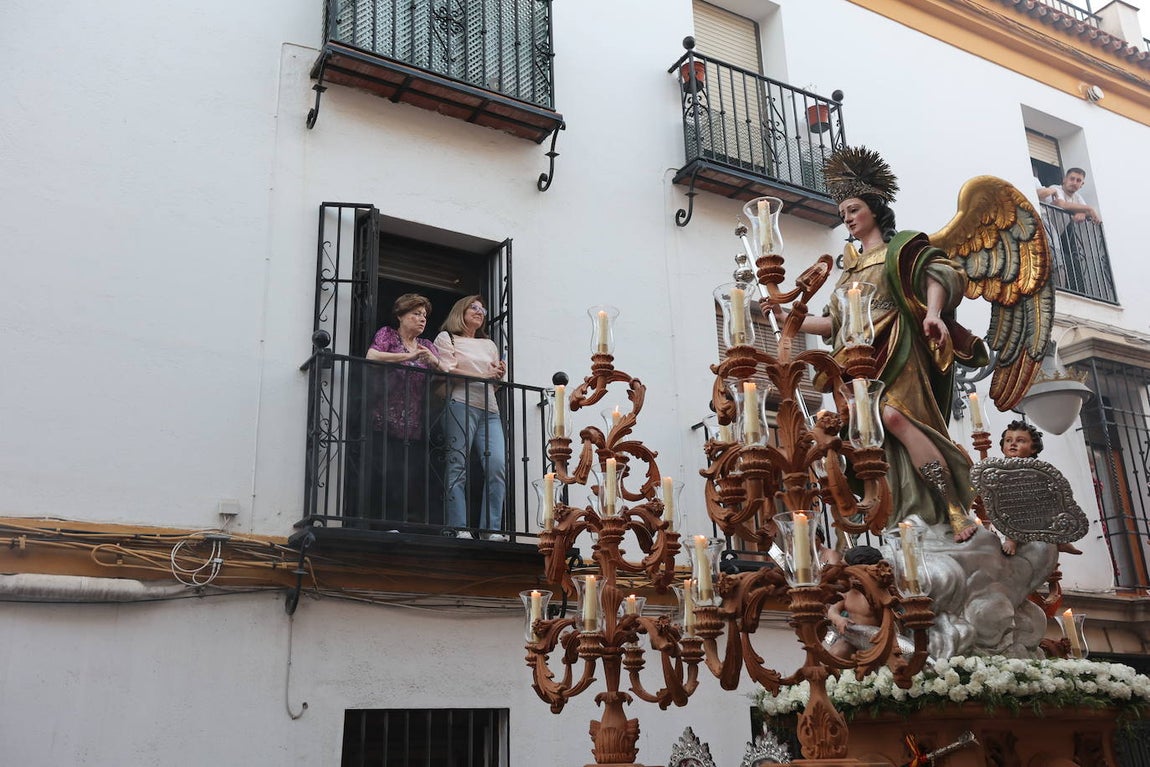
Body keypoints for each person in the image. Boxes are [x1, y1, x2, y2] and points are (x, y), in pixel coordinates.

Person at [763, 146, 981, 543]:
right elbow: (832, 324)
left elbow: (940, 273)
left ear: (875, 210)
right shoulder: (848, 269)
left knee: (898, 418)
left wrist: (932, 313)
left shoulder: (901, 249)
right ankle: (902, 510)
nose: (847, 218)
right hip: (855, 360)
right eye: (843, 212)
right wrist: (786, 318)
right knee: (873, 437)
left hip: (898, 346)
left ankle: (953, 507)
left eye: (854, 209)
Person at [435, 295, 509, 541]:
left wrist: (497, 376)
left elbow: (492, 383)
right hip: (460, 404)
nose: (480, 311)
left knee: (497, 466)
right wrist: (484, 374)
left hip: (490, 410)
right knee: (457, 465)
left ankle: (491, 530)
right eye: (474, 307)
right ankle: (459, 527)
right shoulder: (448, 338)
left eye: (483, 309)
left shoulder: (489, 344)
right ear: (461, 311)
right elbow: (446, 369)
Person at [366, 293, 444, 522]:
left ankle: (402, 522)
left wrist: (433, 360)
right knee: (386, 473)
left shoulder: (427, 346)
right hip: (384, 418)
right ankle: (383, 523)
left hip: (414, 423)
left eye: (425, 315)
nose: (422, 319)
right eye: (416, 314)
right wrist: (406, 356)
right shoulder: (387, 335)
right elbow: (372, 355)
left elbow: (444, 372)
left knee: (408, 476)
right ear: (400, 315)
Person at [997, 419, 1081, 557]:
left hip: (1037, 505)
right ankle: (1012, 539)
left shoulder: (1038, 470)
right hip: (1014, 506)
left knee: (1053, 511)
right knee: (1011, 513)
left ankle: (1061, 540)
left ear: (1033, 448)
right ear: (1002, 446)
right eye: (1008, 440)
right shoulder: (1001, 470)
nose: (1013, 443)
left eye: (1021, 441)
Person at [1037, 168, 1102, 294]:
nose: (1074, 182)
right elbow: (1062, 204)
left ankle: (1058, 289)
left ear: (1082, 185)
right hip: (1043, 227)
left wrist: (1082, 212)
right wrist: (1088, 209)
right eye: (1072, 178)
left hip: (1053, 234)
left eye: (1078, 180)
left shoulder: (1077, 198)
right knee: (1055, 257)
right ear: (1064, 180)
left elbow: (1087, 214)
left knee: (1054, 258)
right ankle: (1057, 288)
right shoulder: (1056, 188)